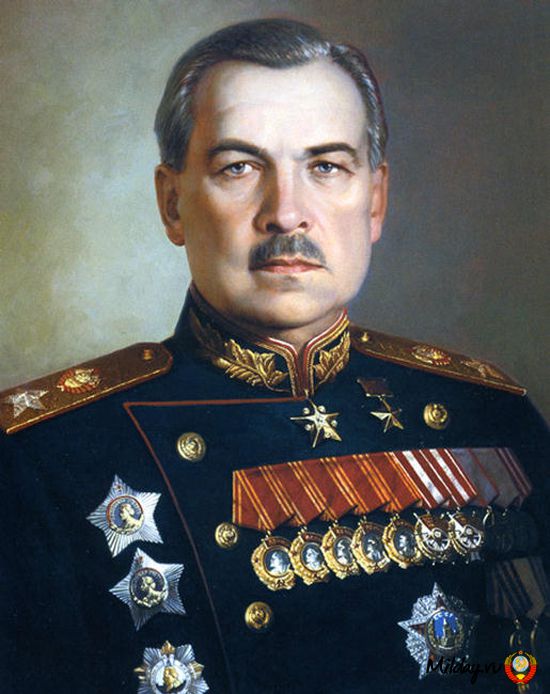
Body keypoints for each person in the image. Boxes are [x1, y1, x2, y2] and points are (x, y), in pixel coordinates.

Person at [1, 18, 549, 694]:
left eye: (326, 166)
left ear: (376, 200)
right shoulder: (43, 456)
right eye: (239, 166)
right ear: (172, 205)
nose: (286, 213)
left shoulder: (489, 414)